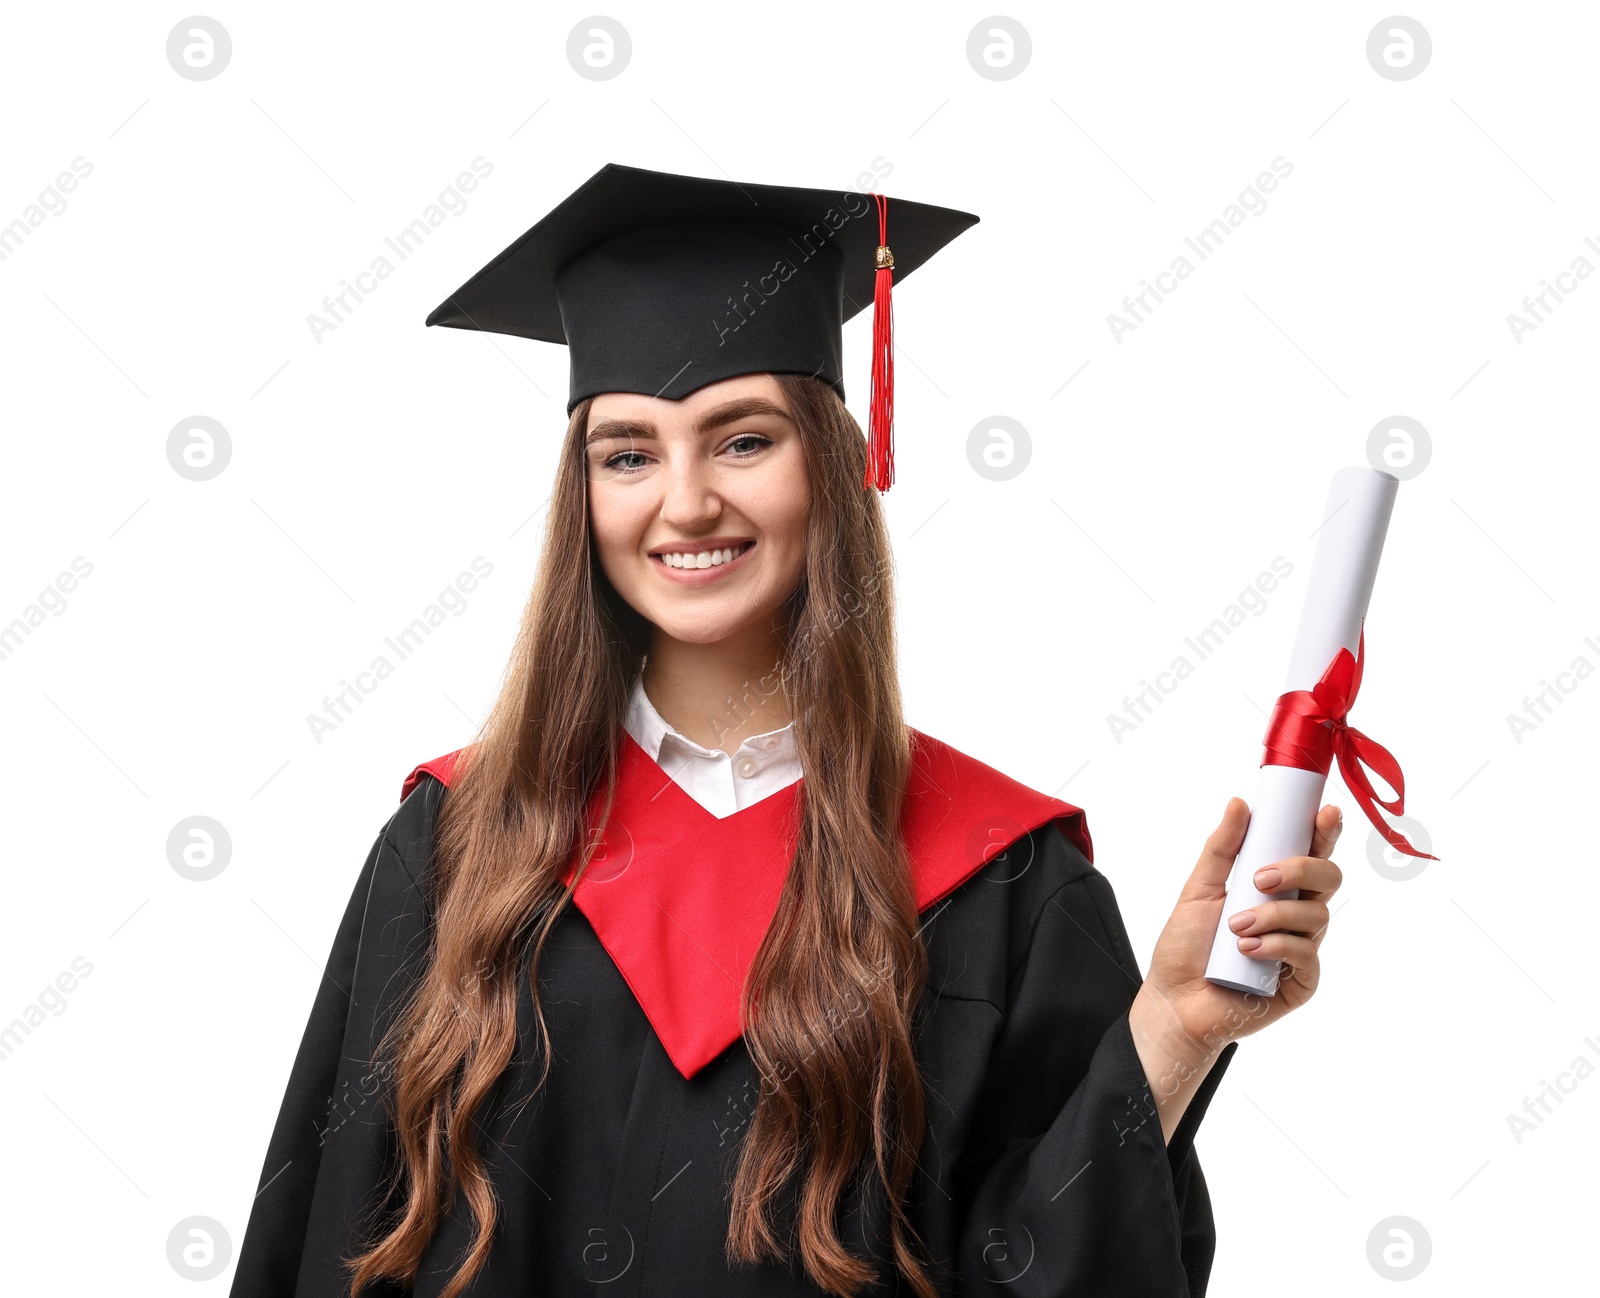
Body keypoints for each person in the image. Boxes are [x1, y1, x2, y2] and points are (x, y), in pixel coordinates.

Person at [228, 164, 1344, 1298]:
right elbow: (321, 1234)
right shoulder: (453, 846)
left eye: (742, 439)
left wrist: (1174, 1027)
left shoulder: (1003, 880)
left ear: (834, 462)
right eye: (627, 453)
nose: (685, 501)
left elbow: (1034, 1266)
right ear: (584, 498)